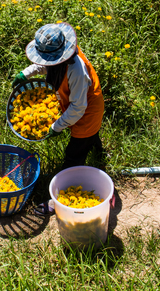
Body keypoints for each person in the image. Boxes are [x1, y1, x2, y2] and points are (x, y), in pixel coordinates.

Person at [12, 22, 106, 214]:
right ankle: (100, 153)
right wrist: (27, 73)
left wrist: (56, 126)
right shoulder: (60, 58)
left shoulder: (76, 70)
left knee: (74, 155)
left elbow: (78, 108)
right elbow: (45, 65)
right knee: (89, 138)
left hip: (87, 112)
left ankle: (59, 200)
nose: (46, 63)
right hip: (76, 105)